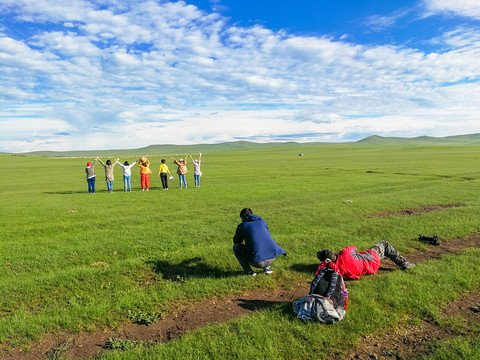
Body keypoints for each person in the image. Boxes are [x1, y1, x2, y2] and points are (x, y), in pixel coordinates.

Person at [316, 240, 415, 280]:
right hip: (372, 259)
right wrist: (342, 252)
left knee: (373, 253)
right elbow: (354, 248)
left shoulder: (337, 270)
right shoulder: (345, 253)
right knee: (384, 244)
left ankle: (384, 255)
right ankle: (404, 263)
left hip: (370, 269)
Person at [233, 208, 287, 276]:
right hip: (271, 258)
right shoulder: (262, 221)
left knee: (236, 247)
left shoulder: (243, 225)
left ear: (242, 218)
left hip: (257, 262)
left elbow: (236, 241)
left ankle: (249, 272)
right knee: (262, 241)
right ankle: (267, 268)